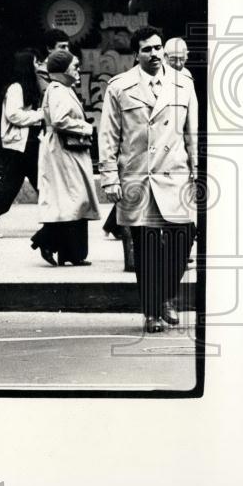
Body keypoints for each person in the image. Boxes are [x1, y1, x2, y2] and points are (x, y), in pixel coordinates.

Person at [99, 26, 197, 333]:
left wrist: (198, 169)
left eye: (157, 48)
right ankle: (152, 310)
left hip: (176, 174)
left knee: (185, 236)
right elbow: (109, 135)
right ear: (136, 54)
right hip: (138, 178)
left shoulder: (184, 83)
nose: (154, 54)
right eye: (147, 50)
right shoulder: (119, 87)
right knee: (147, 249)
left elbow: (191, 132)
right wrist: (109, 177)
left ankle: (167, 294)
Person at [30, 49, 100, 266]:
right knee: (75, 200)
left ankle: (69, 252)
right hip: (64, 151)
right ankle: (48, 241)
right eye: (75, 66)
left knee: (73, 201)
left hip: (65, 151)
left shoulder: (60, 88)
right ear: (63, 70)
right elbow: (60, 120)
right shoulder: (59, 90)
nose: (78, 71)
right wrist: (86, 128)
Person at [0, 49, 44, 239]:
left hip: (28, 143)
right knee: (10, 185)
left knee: (39, 182)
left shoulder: (28, 86)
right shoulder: (16, 88)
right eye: (35, 62)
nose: (37, 66)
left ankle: (54, 220)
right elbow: (13, 115)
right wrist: (39, 115)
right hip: (19, 144)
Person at [36, 29, 71, 94]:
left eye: (67, 47)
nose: (67, 51)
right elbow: (52, 96)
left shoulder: (66, 67)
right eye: (62, 47)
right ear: (49, 49)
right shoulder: (42, 72)